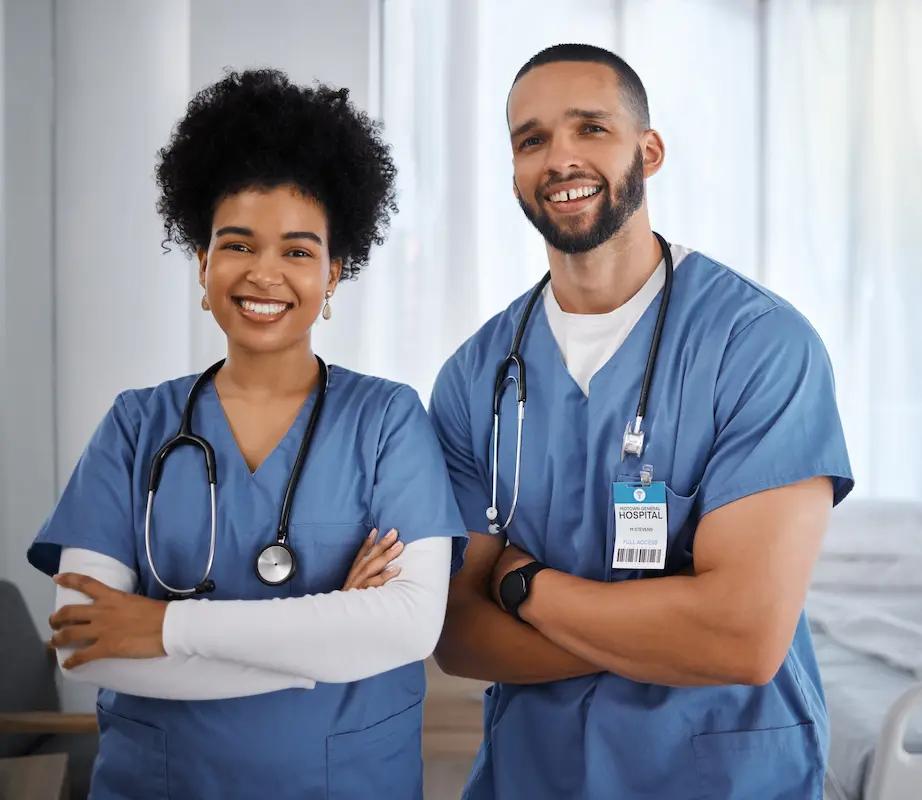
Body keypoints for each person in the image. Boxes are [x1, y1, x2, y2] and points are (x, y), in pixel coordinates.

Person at [27, 68, 468, 800]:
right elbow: (84, 643)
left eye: (298, 251)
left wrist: (162, 628)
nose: (265, 273)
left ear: (335, 275)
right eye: (237, 245)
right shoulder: (135, 426)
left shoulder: (389, 420)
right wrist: (322, 651)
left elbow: (408, 627)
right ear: (202, 264)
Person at [428, 43, 853, 800]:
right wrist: (665, 631)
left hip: (724, 777)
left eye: (590, 128)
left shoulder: (758, 344)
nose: (560, 158)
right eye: (531, 140)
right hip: (535, 775)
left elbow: (744, 639)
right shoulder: (475, 377)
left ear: (648, 151)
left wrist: (525, 588)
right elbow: (458, 635)